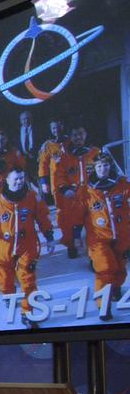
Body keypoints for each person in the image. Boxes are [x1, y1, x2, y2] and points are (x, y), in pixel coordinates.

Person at [0, 168, 54, 327]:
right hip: (3, 248)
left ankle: (28, 312)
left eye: (22, 178)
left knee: (28, 280)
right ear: (7, 180)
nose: (19, 182)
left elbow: (43, 218)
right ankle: (8, 296)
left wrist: (49, 237)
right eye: (16, 179)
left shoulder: (32, 197)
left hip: (27, 246)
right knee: (5, 281)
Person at [80, 151, 130, 314]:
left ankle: (115, 288)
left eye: (106, 165)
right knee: (105, 268)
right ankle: (103, 305)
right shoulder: (86, 190)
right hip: (98, 238)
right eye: (99, 166)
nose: (103, 169)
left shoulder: (122, 184)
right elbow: (77, 214)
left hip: (122, 235)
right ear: (94, 168)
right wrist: (75, 234)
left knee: (120, 268)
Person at [47, 125, 98, 257]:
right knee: (69, 223)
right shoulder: (64, 157)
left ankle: (96, 249)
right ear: (70, 137)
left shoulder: (95, 152)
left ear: (86, 134)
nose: (78, 137)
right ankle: (71, 246)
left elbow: (106, 167)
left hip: (93, 195)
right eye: (75, 135)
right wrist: (65, 189)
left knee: (96, 222)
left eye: (81, 134)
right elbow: (59, 175)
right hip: (73, 196)